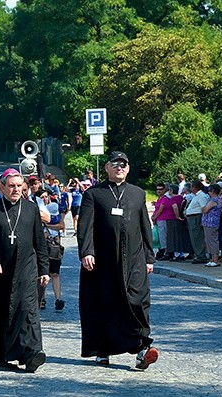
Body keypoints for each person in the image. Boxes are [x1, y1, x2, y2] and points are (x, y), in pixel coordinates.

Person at [77, 151, 158, 370]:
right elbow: (84, 227)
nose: (119, 168)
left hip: (134, 259)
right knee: (104, 304)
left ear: (128, 168)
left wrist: (149, 257)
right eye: (115, 164)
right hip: (103, 261)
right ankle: (102, 350)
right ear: (106, 168)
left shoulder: (138, 193)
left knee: (138, 301)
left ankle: (142, 348)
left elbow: (145, 227)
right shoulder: (94, 194)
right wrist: (86, 252)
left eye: (123, 164)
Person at [0, 168, 50, 373]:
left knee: (28, 310)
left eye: (19, 186)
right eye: (11, 186)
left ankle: (32, 353)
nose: (16, 189)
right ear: (1, 187)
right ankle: (2, 354)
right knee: (2, 312)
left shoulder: (31, 208)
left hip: (27, 267)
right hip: (0, 271)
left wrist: (44, 269)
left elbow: (39, 241)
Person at [184, 181, 210, 264]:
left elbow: (204, 208)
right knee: (194, 237)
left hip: (196, 217)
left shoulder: (202, 196)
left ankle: (201, 255)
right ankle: (198, 254)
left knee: (197, 237)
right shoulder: (196, 196)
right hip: (192, 217)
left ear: (195, 187)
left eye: (192, 186)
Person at [201, 184, 222, 267]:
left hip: (211, 222)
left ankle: (215, 259)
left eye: (210, 190)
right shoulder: (213, 199)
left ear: (213, 191)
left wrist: (204, 208)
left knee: (212, 241)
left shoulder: (214, 200)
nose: (208, 192)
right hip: (208, 222)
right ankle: (212, 259)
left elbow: (205, 210)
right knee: (209, 241)